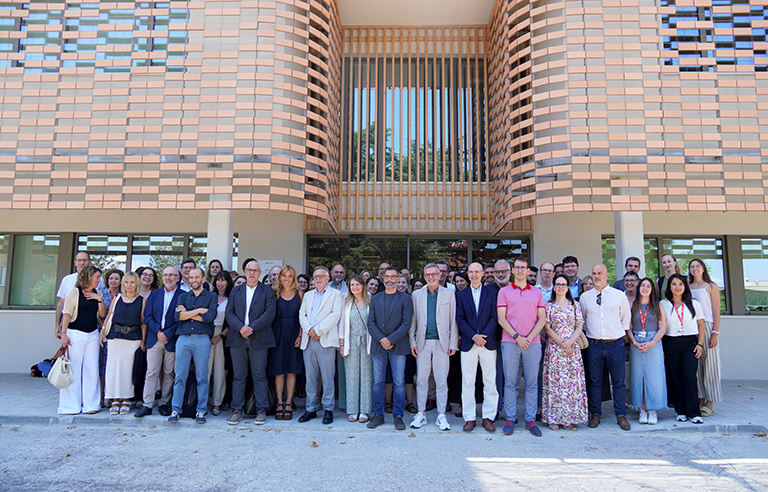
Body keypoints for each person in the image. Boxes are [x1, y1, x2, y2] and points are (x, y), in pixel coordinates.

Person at [497, 256, 546, 437]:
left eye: (522, 268)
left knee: (532, 383)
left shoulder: (537, 292)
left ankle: (530, 420)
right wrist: (518, 337)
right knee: (511, 382)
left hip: (532, 343)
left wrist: (529, 337)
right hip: (510, 342)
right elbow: (502, 318)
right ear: (512, 271)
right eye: (516, 267)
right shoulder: (504, 292)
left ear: (527, 271)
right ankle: (510, 418)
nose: (519, 270)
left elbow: (542, 319)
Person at [579, 264, 632, 431]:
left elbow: (625, 319)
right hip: (593, 344)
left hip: (615, 343)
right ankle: (595, 414)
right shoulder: (585, 297)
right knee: (594, 381)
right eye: (594, 273)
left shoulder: (619, 295)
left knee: (618, 382)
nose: (596, 276)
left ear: (607, 275)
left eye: (600, 273)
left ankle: (621, 415)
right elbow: (583, 321)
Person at [224, 259, 277, 426]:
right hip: (237, 338)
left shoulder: (267, 291)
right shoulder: (236, 290)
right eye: (249, 270)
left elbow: (269, 314)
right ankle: (237, 410)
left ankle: (261, 410)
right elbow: (229, 313)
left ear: (260, 273)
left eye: (255, 270)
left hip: (259, 338)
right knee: (239, 376)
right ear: (245, 272)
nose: (252, 273)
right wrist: (241, 328)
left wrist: (250, 328)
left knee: (259, 375)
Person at [408, 264, 459, 431]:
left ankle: (441, 415)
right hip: (422, 343)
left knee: (441, 380)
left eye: (434, 274)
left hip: (442, 343)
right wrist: (412, 341)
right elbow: (413, 320)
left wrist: (453, 343)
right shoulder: (416, 294)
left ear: (439, 275)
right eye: (427, 274)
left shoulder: (449, 294)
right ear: (424, 276)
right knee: (422, 379)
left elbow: (453, 320)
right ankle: (421, 413)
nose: (431, 277)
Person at [168, 267, 218, 424]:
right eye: (191, 277)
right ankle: (176, 409)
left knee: (202, 377)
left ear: (203, 279)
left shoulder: (211, 296)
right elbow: (177, 317)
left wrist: (187, 313)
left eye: (197, 277)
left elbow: (209, 317)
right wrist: (198, 311)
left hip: (202, 339)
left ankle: (201, 411)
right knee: (179, 376)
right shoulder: (183, 297)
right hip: (183, 339)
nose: (194, 280)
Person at [366, 266, 413, 430]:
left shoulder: (405, 299)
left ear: (398, 278)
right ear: (383, 278)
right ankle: (378, 415)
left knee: (399, 383)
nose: (390, 280)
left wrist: (390, 339)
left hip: (398, 345)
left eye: (394, 277)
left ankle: (398, 415)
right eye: (387, 277)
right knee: (378, 382)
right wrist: (382, 339)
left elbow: (406, 323)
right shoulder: (375, 298)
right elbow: (370, 322)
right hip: (378, 346)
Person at [456, 262, 498, 433]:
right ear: (468, 274)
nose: (474, 275)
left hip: (488, 343)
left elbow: (495, 317)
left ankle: (488, 417)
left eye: (477, 272)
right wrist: (474, 336)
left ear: (482, 274)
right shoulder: (461, 295)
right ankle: (470, 417)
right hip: (468, 343)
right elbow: (459, 318)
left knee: (489, 381)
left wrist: (483, 337)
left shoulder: (492, 293)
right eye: (471, 272)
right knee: (468, 382)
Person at [542, 273, 588, 430]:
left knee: (571, 385)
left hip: (572, 350)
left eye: (563, 284)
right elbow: (547, 328)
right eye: (558, 284)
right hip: (555, 349)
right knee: (556, 384)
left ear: (568, 287)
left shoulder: (574, 305)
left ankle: (569, 417)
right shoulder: (549, 306)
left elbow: (579, 326)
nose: (560, 287)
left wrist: (569, 342)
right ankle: (554, 418)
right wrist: (561, 342)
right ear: (554, 287)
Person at [298, 266, 344, 424]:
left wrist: (318, 330)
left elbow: (335, 315)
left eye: (321, 276)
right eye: (315, 276)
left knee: (327, 377)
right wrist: (310, 330)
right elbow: (302, 314)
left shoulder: (336, 294)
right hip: (309, 340)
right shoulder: (308, 295)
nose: (317, 279)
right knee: (310, 377)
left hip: (325, 340)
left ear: (328, 278)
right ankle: (310, 409)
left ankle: (328, 409)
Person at [135, 266, 182, 418]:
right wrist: (159, 332)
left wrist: (167, 333)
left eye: (172, 275)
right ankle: (147, 404)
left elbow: (182, 319)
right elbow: (147, 317)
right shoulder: (154, 295)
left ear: (178, 277)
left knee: (169, 373)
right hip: (154, 338)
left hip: (172, 339)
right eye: (166, 275)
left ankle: (163, 403)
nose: (168, 278)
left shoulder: (183, 296)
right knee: (151, 372)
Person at [58, 265, 105, 415]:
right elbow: (66, 314)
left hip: (92, 335)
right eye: (97, 277)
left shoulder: (97, 293)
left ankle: (91, 405)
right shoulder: (74, 292)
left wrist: (100, 299)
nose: (99, 280)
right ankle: (70, 406)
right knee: (74, 370)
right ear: (89, 277)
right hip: (75, 334)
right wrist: (63, 334)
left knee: (92, 370)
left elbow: (102, 314)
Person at [661, 274, 706, 424]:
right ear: (670, 287)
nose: (677, 287)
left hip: (690, 343)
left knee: (689, 376)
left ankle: (694, 412)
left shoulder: (694, 304)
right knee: (676, 378)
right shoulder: (663, 304)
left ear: (685, 286)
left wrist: (700, 344)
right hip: (671, 342)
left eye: (680, 284)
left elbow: (701, 325)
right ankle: (681, 411)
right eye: (674, 284)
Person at [102, 272, 146, 416]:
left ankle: (126, 399)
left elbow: (143, 322)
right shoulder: (117, 298)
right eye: (126, 282)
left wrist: (143, 340)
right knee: (114, 369)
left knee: (128, 370)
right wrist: (103, 332)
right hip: (115, 337)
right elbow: (109, 316)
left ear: (137, 284)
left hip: (133, 339)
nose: (129, 285)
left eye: (132, 282)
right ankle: (115, 399)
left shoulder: (142, 300)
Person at [625, 277, 667, 425]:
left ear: (652, 289)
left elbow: (662, 327)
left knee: (654, 377)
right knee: (638, 376)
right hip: (636, 343)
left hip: (653, 342)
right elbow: (628, 327)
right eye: (643, 285)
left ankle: (653, 410)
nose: (645, 288)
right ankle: (642, 409)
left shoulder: (658, 306)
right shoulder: (632, 305)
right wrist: (634, 342)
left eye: (648, 286)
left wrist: (652, 343)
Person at [269, 265, 304, 421]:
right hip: (277, 333)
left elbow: (303, 317)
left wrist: (300, 335)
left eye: (290, 276)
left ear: (294, 278)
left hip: (294, 333)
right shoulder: (274, 294)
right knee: (279, 370)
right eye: (284, 276)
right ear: (280, 278)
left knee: (292, 369)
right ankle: (279, 402)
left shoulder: (300, 294)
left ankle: (289, 402)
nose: (287, 279)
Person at [688, 259, 722, 417]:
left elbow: (716, 311)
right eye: (692, 266)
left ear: (703, 269)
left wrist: (715, 333)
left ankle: (710, 402)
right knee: (696, 366)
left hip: (707, 327)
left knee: (710, 365)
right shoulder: (687, 286)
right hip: (691, 328)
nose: (694, 269)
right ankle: (700, 399)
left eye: (697, 266)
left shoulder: (711, 286)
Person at [339, 275, 373, 423]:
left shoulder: (371, 301)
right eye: (352, 285)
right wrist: (341, 345)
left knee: (366, 376)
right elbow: (341, 325)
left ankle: (365, 410)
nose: (355, 288)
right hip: (351, 342)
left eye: (357, 285)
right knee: (351, 376)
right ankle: (353, 409)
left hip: (367, 342)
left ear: (363, 286)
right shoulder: (346, 302)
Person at [55, 251, 102, 339]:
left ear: (90, 262)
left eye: (84, 260)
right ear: (75, 262)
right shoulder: (67, 279)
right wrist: (58, 325)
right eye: (79, 260)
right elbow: (61, 303)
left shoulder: (99, 280)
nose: (82, 263)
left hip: (93, 329)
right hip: (72, 328)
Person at [209, 270, 232, 416]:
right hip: (206, 334)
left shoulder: (232, 299)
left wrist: (221, 336)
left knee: (219, 371)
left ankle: (217, 403)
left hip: (223, 335)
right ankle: (201, 402)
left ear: (228, 282)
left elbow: (233, 321)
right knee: (204, 370)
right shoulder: (210, 297)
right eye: (218, 279)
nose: (220, 282)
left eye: (223, 280)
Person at [100, 268, 124, 406]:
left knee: (115, 366)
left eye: (116, 278)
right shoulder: (101, 294)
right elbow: (99, 314)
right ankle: (103, 395)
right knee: (103, 366)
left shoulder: (124, 295)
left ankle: (115, 396)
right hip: (103, 332)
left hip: (117, 333)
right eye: (111, 278)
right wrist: (103, 327)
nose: (113, 281)